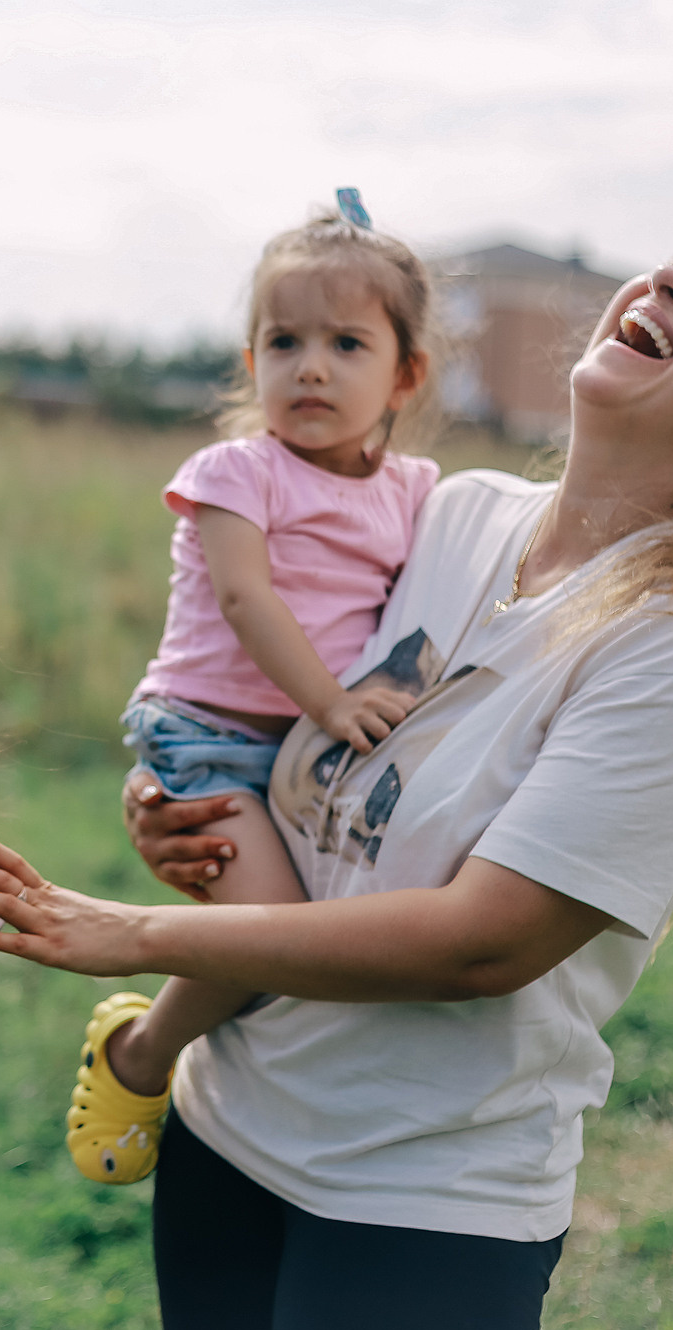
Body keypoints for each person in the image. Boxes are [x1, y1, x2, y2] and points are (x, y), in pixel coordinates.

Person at [0, 226, 673, 1330]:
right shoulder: (453, 512)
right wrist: (189, 806)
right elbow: (311, 748)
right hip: (225, 1124)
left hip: (416, 1206)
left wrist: (136, 933)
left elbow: (484, 939)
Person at [74, 196, 440, 1187]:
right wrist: (328, 703)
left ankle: (206, 1068)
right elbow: (244, 597)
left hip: (304, 755)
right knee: (262, 939)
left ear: (403, 373)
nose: (309, 365)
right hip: (206, 735)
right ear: (249, 363)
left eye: (345, 343)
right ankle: (139, 1055)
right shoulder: (237, 470)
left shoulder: (414, 492)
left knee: (288, 943)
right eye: (282, 341)